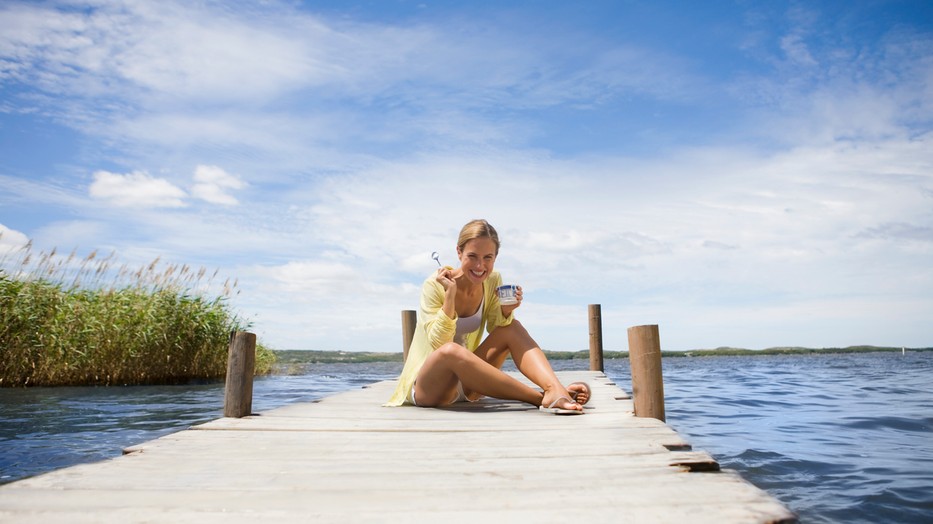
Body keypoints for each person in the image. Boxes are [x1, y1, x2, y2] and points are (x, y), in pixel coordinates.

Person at [385, 219, 590, 413]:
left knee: (512, 327)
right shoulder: (434, 285)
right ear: (459, 252)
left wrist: (507, 310)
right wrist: (450, 295)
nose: (480, 266)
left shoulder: (493, 279)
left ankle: (554, 388)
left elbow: (496, 327)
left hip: (469, 384)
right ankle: (540, 398)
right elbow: (439, 343)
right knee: (450, 351)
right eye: (472, 256)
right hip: (430, 389)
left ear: (495, 258)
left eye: (487, 258)